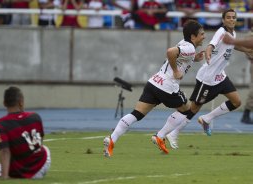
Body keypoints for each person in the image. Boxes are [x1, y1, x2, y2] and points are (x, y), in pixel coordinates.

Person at [103, 19, 205, 157]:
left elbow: (177, 56)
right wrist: (175, 71)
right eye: (202, 34)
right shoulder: (190, 48)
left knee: (137, 114)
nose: (204, 36)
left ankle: (112, 139)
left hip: (154, 82)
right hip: (168, 87)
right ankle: (160, 136)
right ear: (193, 36)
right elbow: (170, 52)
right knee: (187, 109)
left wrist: (195, 59)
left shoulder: (184, 44)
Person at [166, 9, 252, 149]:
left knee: (236, 102)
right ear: (223, 20)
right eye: (228, 17)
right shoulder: (221, 32)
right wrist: (208, 53)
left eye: (233, 17)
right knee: (193, 108)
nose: (231, 19)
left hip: (220, 76)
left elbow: (233, 45)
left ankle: (207, 118)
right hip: (207, 78)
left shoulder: (233, 33)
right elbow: (210, 45)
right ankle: (173, 133)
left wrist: (247, 50)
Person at [0, 86, 51, 179]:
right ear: (21, 102)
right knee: (45, 148)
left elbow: (4, 151)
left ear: (4, 103)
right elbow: (40, 141)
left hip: (18, 170)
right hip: (42, 165)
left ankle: (15, 174)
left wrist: (4, 176)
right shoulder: (35, 116)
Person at [224, 31, 253, 124]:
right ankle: (246, 113)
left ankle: (247, 113)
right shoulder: (250, 34)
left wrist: (233, 41)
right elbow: (248, 48)